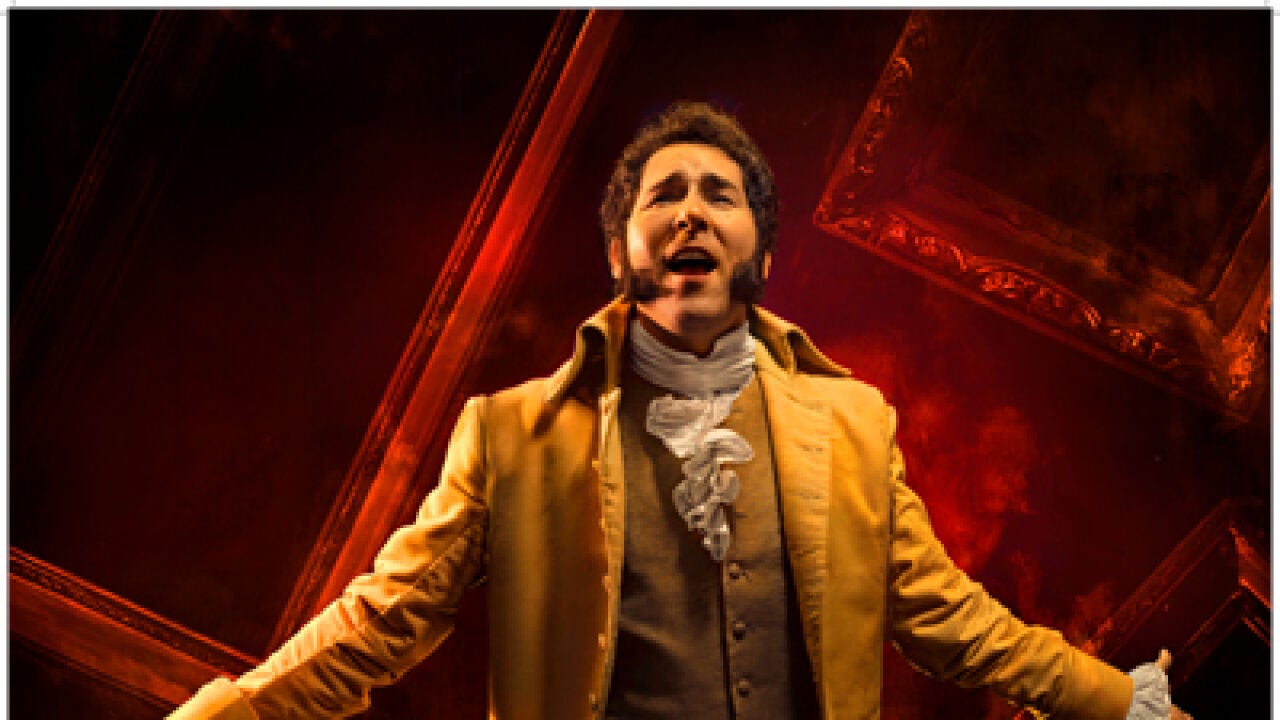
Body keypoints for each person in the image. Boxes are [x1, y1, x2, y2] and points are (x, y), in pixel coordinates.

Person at [169, 102, 1190, 720]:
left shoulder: (852, 424)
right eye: (663, 195)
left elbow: (948, 620)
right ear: (620, 252)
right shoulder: (511, 433)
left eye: (720, 194)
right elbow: (380, 623)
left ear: (762, 251)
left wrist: (1116, 700)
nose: (691, 210)